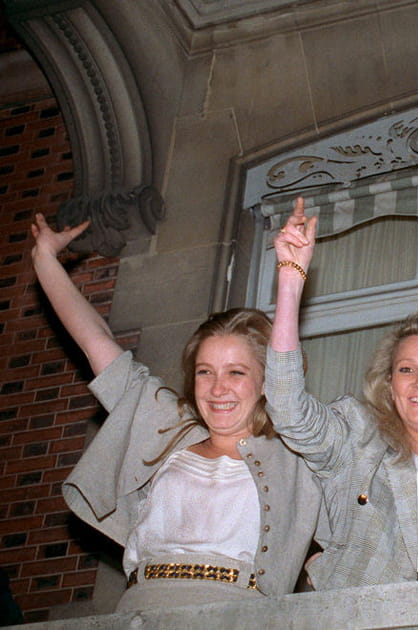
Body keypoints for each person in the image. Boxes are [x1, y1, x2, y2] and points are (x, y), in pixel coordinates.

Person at [32, 214, 321, 611]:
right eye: (205, 372)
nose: (218, 388)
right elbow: (94, 338)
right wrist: (45, 258)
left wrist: (291, 279)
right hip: (142, 609)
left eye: (236, 372)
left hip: (239, 614)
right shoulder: (165, 426)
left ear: (267, 382)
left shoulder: (297, 457)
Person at [264, 199, 418, 588]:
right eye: (406, 369)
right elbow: (288, 409)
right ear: (390, 386)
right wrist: (290, 283)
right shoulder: (356, 441)